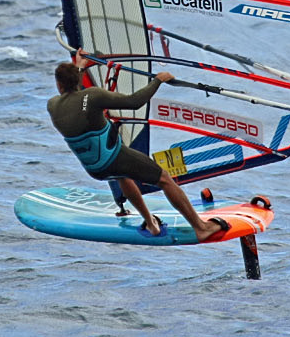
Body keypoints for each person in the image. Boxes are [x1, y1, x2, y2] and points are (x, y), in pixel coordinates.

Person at [47, 49, 228, 242]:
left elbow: (78, 102)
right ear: (77, 81)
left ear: (58, 84)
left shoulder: (52, 105)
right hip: (113, 158)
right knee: (165, 179)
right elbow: (134, 102)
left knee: (123, 176)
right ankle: (201, 228)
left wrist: (79, 68)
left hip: (94, 169)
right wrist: (158, 80)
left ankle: (151, 223)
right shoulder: (92, 96)